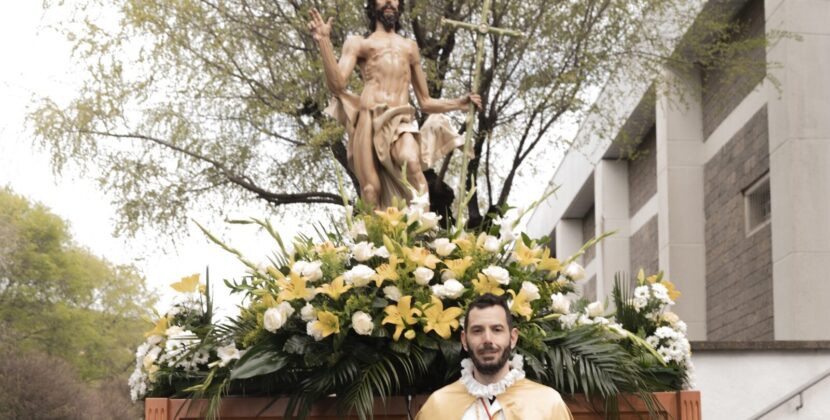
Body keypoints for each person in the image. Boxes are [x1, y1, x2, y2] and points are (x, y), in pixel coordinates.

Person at [308, 0, 481, 208]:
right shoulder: (359, 43)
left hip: (401, 119)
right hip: (368, 121)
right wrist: (324, 42)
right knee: (370, 190)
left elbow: (425, 101)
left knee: (411, 162)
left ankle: (425, 225)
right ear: (372, 4)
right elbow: (337, 86)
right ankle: (375, 229)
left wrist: (459, 103)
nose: (390, 1)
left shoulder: (410, 47)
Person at [416, 294, 574, 419]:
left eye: (497, 330)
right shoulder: (438, 405)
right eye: (477, 330)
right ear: (464, 340)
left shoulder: (548, 403)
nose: (487, 340)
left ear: (513, 338)